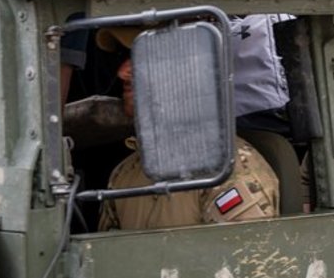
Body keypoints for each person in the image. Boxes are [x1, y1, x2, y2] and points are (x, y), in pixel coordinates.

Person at [95, 27, 279, 231]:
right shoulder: (125, 173)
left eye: (141, 56)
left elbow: (248, 261)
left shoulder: (226, 170)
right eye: (125, 56)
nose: (122, 73)